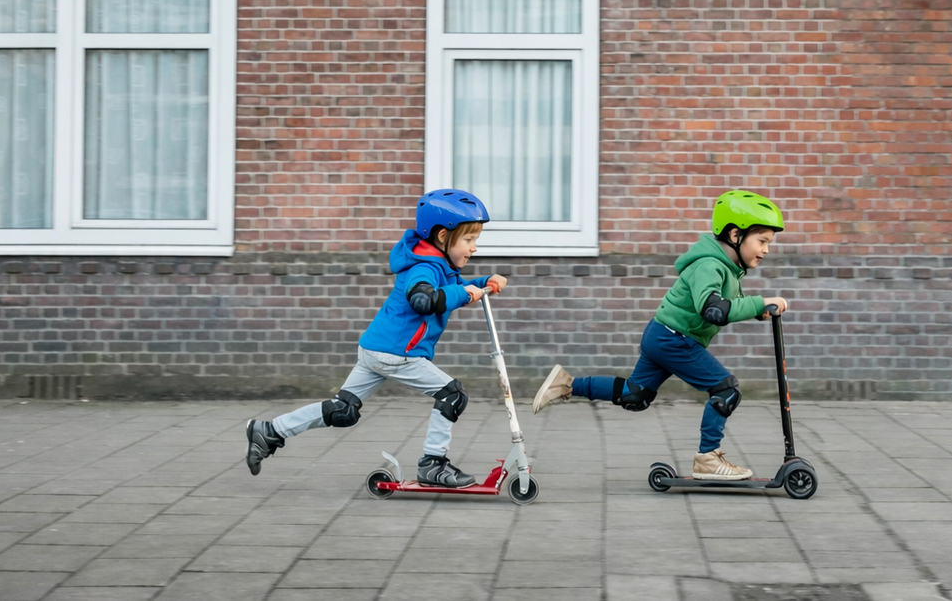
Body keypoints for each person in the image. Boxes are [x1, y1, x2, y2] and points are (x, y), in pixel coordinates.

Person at [243, 189, 507, 488]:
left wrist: (483, 283)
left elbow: (453, 287)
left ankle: (270, 431)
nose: (474, 248)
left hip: (376, 348)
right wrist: (463, 293)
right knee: (452, 395)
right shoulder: (424, 267)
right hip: (397, 354)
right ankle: (433, 464)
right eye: (469, 240)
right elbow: (423, 299)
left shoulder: (437, 263)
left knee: (343, 410)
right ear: (443, 236)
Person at [530, 190, 788, 480]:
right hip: (675, 339)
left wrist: (757, 311)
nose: (766, 249)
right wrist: (759, 302)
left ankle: (566, 385)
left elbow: (728, 302)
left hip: (662, 334)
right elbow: (713, 310)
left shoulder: (728, 268)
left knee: (635, 395)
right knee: (726, 390)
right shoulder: (709, 265)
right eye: (762, 241)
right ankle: (707, 458)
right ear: (735, 235)